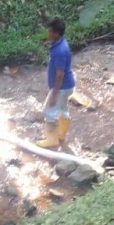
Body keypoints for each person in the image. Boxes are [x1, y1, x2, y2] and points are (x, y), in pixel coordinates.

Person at [36, 15, 75, 149]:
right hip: (67, 85)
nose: (48, 33)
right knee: (63, 109)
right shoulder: (61, 44)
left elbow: (60, 74)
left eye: (50, 31)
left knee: (48, 112)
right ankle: (61, 135)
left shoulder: (59, 51)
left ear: (56, 34)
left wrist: (54, 94)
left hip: (62, 86)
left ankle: (52, 140)